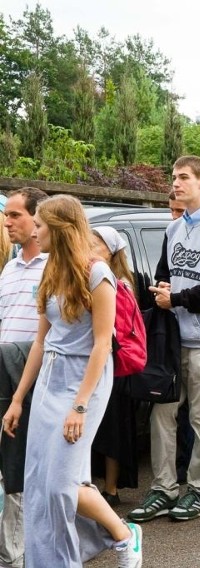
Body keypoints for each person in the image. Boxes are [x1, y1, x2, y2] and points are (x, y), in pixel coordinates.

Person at [2, 195, 142, 567]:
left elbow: (101, 345)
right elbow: (40, 340)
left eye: (42, 224)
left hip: (86, 380)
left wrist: (79, 405)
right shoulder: (50, 270)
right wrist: (18, 399)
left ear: (61, 229)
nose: (35, 230)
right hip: (50, 376)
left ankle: (125, 536)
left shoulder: (98, 273)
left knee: (61, 486)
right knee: (38, 485)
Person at [128, 155, 200, 523]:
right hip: (172, 340)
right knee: (163, 413)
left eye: (184, 177)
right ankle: (163, 487)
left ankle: (199, 490)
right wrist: (162, 289)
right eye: (174, 177)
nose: (175, 183)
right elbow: (164, 272)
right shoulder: (173, 229)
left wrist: (177, 299)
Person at [0, 187, 48, 568]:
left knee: (23, 470)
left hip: (36, 383)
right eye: (7, 214)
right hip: (4, 380)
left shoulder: (55, 267)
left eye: (15, 215)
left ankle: (20, 554)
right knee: (9, 468)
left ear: (37, 221)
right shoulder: (10, 268)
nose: (7, 221)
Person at [90, 226, 139, 507]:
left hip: (113, 363)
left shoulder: (118, 283)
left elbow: (115, 329)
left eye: (94, 243)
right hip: (100, 360)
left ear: (109, 250)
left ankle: (110, 488)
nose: (87, 246)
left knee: (111, 429)